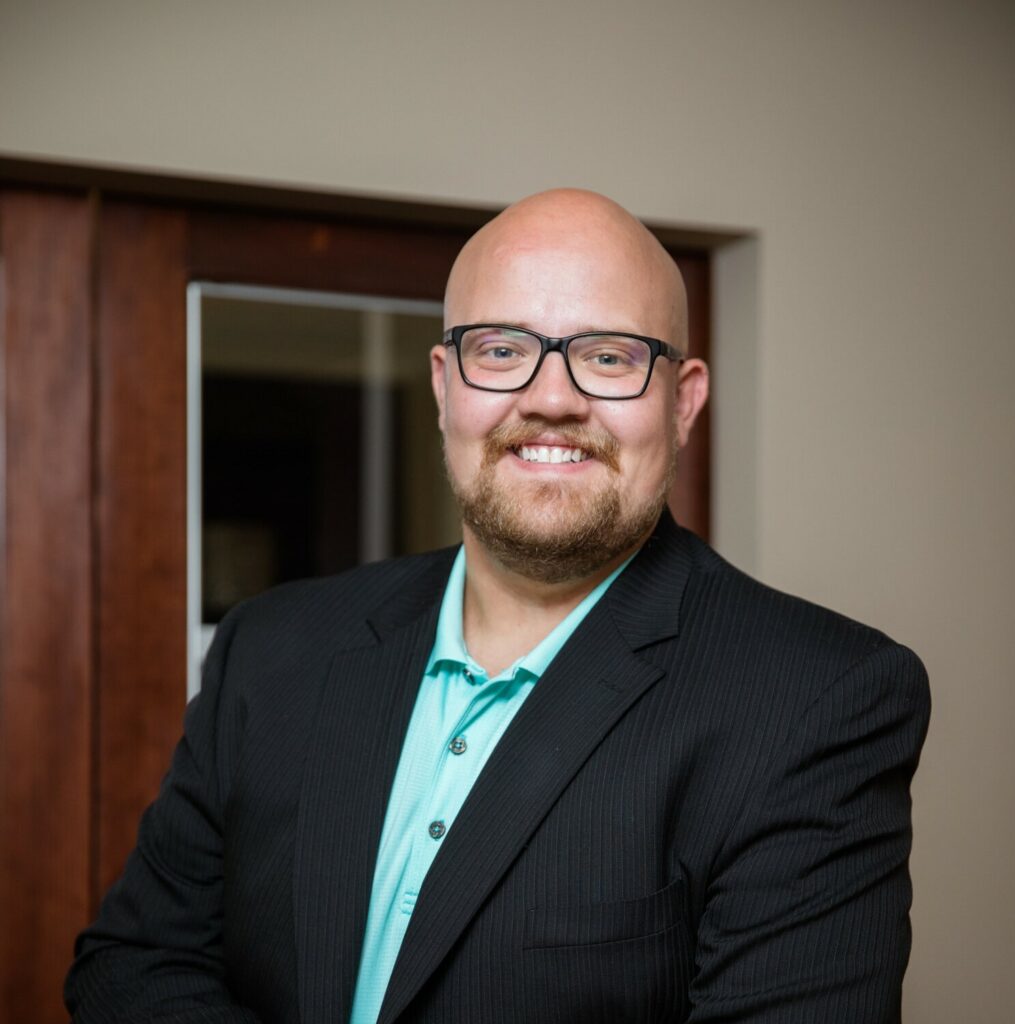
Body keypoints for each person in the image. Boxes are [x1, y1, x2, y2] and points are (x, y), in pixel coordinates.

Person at [65, 189, 930, 1023]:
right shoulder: (275, 645)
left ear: (684, 401)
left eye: (608, 355)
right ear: (445, 384)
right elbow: (134, 966)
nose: (551, 399)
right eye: (502, 349)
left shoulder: (818, 701)